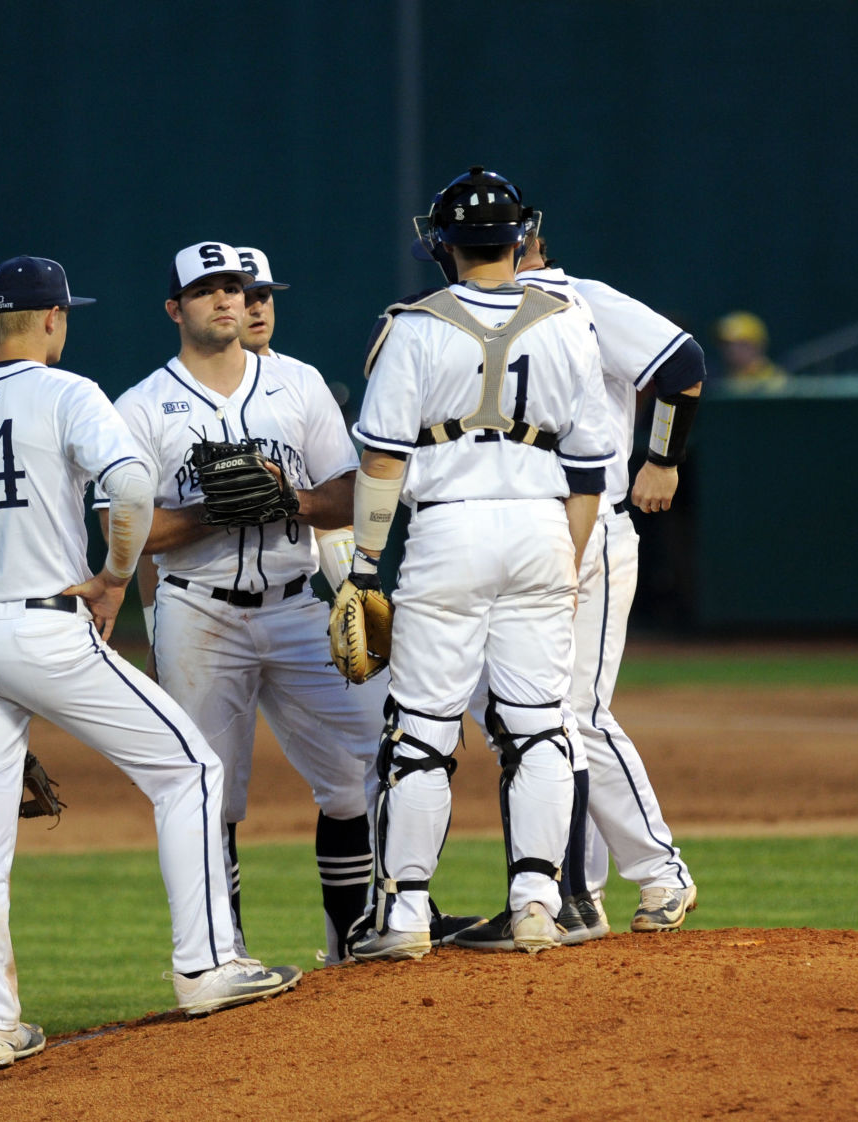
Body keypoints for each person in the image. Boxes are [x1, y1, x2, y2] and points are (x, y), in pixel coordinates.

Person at [0, 256, 299, 1066]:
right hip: (44, 627)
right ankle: (206, 964)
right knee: (191, 770)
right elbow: (130, 487)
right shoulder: (69, 392)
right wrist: (117, 578)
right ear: (53, 318)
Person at [342, 166, 614, 959]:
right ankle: (535, 902)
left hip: (449, 532)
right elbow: (592, 467)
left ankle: (406, 917)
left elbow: (384, 461)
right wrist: (565, 564)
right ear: (520, 236)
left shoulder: (416, 325)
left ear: (444, 244)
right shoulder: (568, 321)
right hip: (540, 526)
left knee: (421, 734)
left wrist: (362, 566)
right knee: (539, 729)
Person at [114, 242, 377, 963]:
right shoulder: (138, 407)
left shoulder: (299, 385)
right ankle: (222, 954)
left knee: (380, 756)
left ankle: (359, 936)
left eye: (236, 287)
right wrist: (213, 512)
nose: (229, 300)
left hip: (300, 606)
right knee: (210, 796)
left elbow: (354, 490)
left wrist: (287, 498)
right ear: (175, 309)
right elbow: (128, 534)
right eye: (208, 290)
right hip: (199, 614)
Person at [513, 232, 703, 936]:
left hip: (598, 529)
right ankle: (578, 889)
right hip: (525, 538)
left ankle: (660, 872)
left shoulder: (583, 300)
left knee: (576, 715)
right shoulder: (473, 317)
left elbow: (683, 361)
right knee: (536, 715)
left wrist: (664, 458)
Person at [713, 311, 788, 392]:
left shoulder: (779, 381)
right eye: (725, 344)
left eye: (742, 344)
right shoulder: (715, 382)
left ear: (759, 345)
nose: (732, 350)